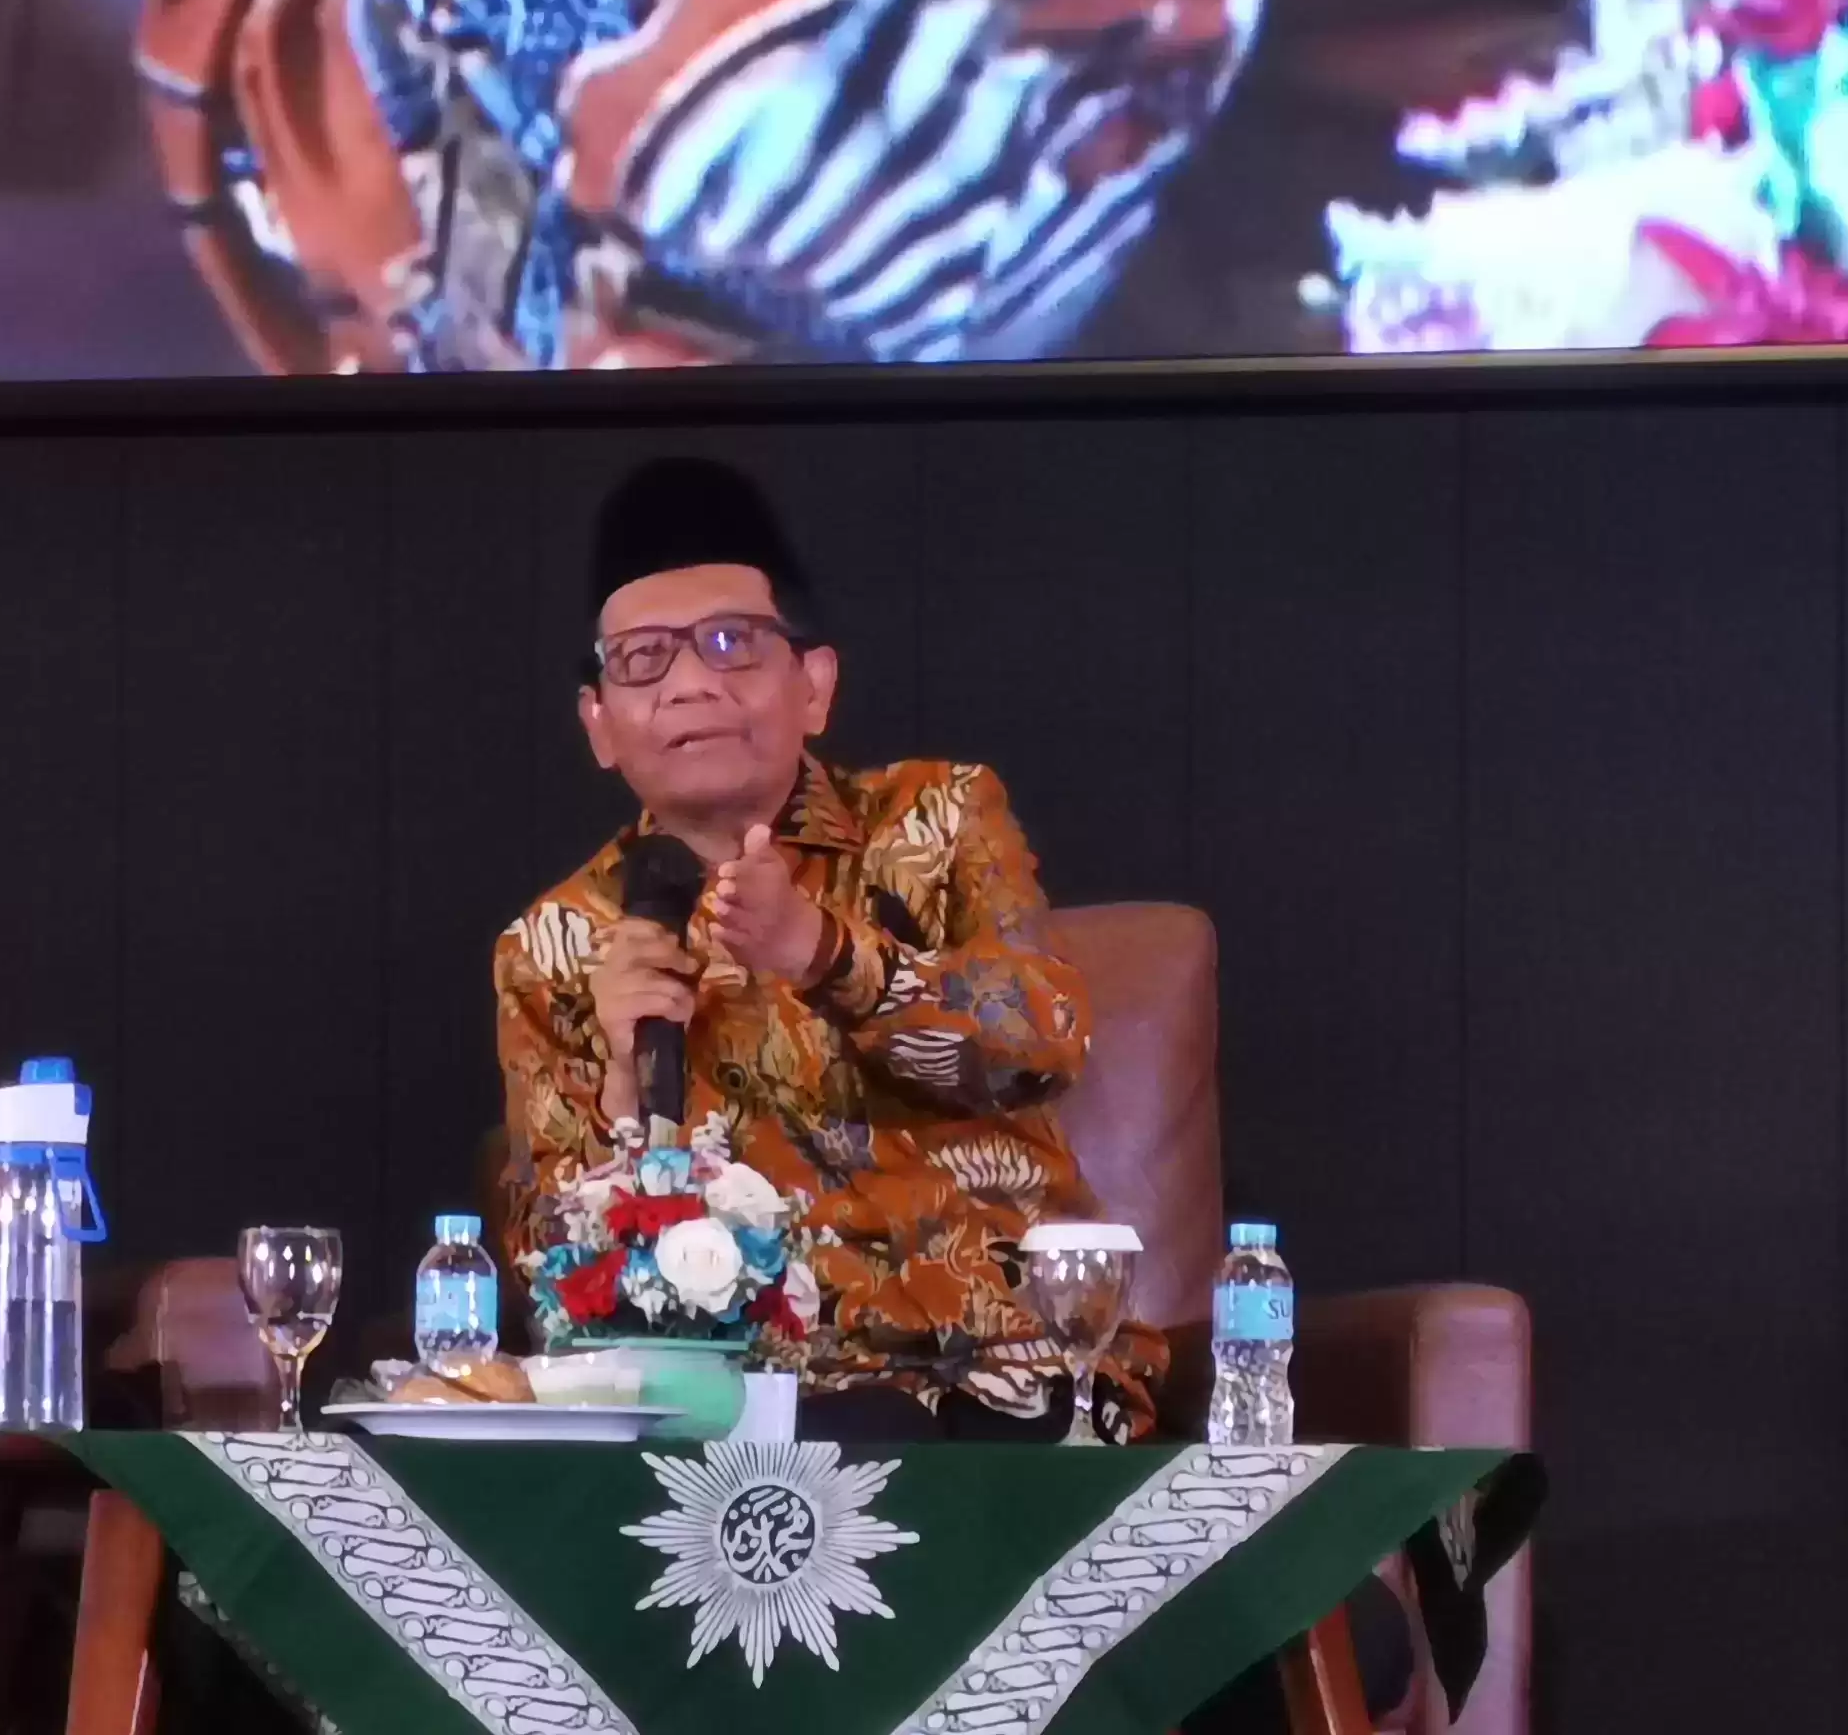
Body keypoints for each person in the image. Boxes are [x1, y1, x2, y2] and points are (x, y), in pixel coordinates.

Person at [490, 455, 1407, 1724]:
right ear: (599, 723)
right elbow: (554, 1275)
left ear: (815, 684)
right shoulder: (553, 945)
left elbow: (1041, 1034)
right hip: (750, 1429)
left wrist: (827, 955)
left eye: (730, 642)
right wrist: (613, 1071)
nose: (690, 682)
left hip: (1017, 1386)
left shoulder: (936, 820)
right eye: (644, 661)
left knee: (1332, 1629)